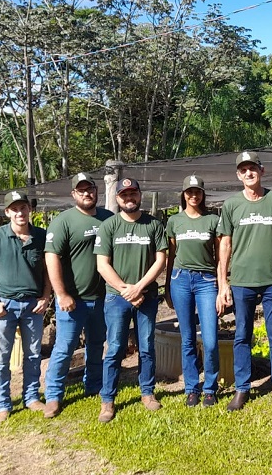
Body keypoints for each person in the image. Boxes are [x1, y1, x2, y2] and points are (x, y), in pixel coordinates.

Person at [217, 151, 272, 412]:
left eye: (253, 168)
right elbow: (225, 244)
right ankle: (242, 388)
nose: (248, 173)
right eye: (243, 170)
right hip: (242, 280)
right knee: (242, 335)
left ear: (261, 171)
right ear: (238, 175)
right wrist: (223, 282)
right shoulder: (231, 205)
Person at [94, 177, 168, 423]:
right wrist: (126, 289)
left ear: (140, 195)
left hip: (146, 296)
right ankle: (108, 400)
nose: (129, 198)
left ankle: (147, 393)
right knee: (115, 348)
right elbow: (102, 264)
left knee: (146, 347)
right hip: (117, 298)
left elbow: (160, 260)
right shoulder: (109, 226)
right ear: (117, 198)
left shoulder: (154, 225)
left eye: (132, 194)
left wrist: (139, 288)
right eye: (124, 195)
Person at [42, 173, 113, 418]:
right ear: (73, 194)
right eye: (81, 190)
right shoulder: (64, 221)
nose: (86, 193)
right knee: (64, 347)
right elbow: (51, 257)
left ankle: (93, 384)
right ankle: (53, 395)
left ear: (97, 190)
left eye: (90, 189)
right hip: (73, 300)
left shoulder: (108, 218)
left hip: (102, 298)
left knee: (96, 344)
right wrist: (61, 293)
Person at [0, 190, 51, 423]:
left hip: (33, 305)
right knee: (0, 358)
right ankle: (2, 404)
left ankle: (31, 397)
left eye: (24, 208)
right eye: (15, 209)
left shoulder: (41, 236)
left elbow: (49, 269)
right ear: (7, 212)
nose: (20, 212)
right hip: (4, 305)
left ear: (30, 210)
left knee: (33, 354)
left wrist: (46, 297)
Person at [165, 175, 221, 408]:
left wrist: (221, 285)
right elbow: (171, 256)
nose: (193, 195)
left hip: (207, 281)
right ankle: (191, 388)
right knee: (187, 338)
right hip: (180, 279)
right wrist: (168, 286)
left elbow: (221, 256)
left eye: (197, 191)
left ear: (203, 194)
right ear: (184, 194)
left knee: (210, 339)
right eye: (189, 191)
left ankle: (210, 388)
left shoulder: (213, 220)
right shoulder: (174, 221)